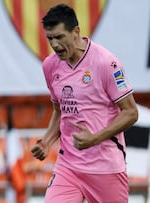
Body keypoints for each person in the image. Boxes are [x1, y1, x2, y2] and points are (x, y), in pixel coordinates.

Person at [30, 4, 138, 203]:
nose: (54, 44)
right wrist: (47, 140)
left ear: (76, 32)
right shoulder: (50, 65)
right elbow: (60, 110)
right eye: (50, 38)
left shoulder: (106, 62)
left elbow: (131, 112)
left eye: (59, 37)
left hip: (105, 167)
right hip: (68, 166)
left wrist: (95, 138)